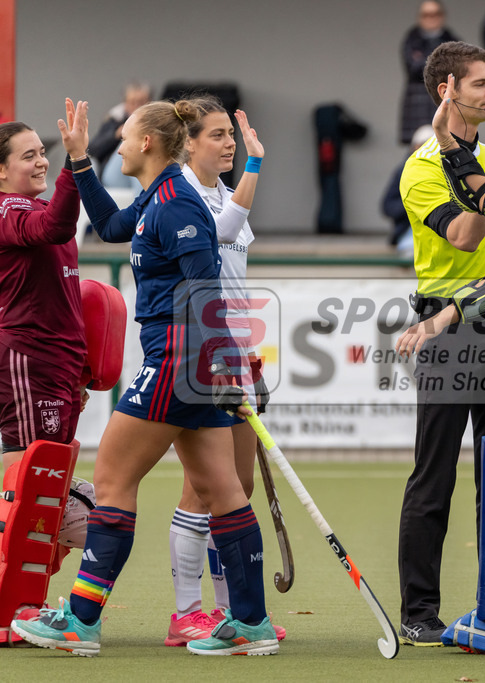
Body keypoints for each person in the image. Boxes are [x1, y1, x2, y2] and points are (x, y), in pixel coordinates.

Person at [12, 98, 278, 657]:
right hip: (196, 365)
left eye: (127, 137)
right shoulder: (158, 197)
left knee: (111, 482)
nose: (123, 144)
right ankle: (250, 623)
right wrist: (80, 162)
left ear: (149, 144)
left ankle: (80, 622)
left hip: (179, 362)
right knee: (223, 489)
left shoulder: (175, 205)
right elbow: (109, 226)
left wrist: (219, 364)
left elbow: (203, 290)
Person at [396, 40, 485, 646]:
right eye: (480, 83)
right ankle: (419, 612)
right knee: (435, 476)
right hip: (445, 335)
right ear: (448, 90)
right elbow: (469, 237)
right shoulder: (421, 167)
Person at [164, 97, 282, 646]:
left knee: (239, 490)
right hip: (202, 353)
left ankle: (230, 611)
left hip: (238, 351)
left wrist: (252, 164)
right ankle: (186, 613)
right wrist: (254, 169)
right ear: (188, 143)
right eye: (217, 135)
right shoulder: (182, 196)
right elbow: (221, 232)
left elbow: (234, 230)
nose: (228, 143)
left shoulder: (217, 192)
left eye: (229, 135)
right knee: (204, 491)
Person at [0, 116, 87, 632]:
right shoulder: (9, 209)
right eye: (28, 155)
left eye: (42, 152)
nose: (40, 160)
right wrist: (78, 165)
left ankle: (22, 608)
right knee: (30, 489)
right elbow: (53, 226)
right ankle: (16, 611)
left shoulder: (36, 206)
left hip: (56, 367)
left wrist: (79, 367)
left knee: (36, 491)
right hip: (29, 363)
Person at [399, 1, 459, 145]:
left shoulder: (453, 40)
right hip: (416, 109)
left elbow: (456, 70)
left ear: (442, 16)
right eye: (426, 15)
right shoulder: (411, 40)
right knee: (415, 156)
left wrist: (424, 58)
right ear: (419, 17)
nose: (431, 18)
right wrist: (441, 61)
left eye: (435, 14)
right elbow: (414, 68)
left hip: (444, 104)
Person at [382, 124, 433, 257]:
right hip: (408, 234)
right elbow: (387, 206)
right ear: (414, 146)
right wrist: (414, 203)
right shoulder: (403, 171)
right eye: (424, 145)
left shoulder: (447, 170)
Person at [90, 81, 151, 192]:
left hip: (141, 175)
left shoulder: (156, 122)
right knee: (135, 143)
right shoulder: (115, 120)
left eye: (141, 102)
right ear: (125, 103)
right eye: (133, 102)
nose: (137, 106)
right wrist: (116, 135)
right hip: (112, 175)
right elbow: (92, 149)